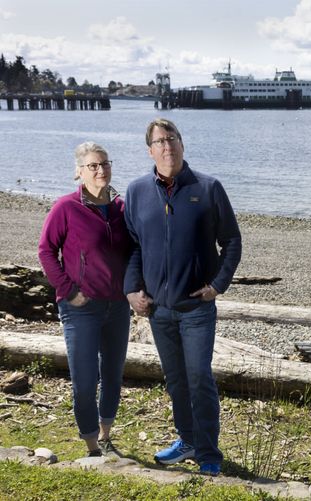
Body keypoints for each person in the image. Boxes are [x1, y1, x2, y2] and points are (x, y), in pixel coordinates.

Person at [123, 118, 242, 476]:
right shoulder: (138, 191)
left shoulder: (208, 188)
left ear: (182, 144)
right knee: (175, 380)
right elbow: (133, 246)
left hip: (196, 309)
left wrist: (218, 284)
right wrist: (131, 290)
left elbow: (232, 241)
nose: (167, 146)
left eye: (172, 138)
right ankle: (187, 439)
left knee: (199, 379)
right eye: (159, 141)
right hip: (158, 310)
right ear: (150, 150)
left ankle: (208, 454)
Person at [38, 142, 132, 458]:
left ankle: (106, 436)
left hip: (118, 305)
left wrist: (134, 288)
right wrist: (69, 290)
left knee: (113, 374)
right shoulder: (65, 207)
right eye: (92, 165)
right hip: (80, 308)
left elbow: (134, 252)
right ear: (79, 172)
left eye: (105, 163)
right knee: (84, 378)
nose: (101, 170)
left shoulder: (122, 208)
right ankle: (92, 445)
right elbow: (46, 251)